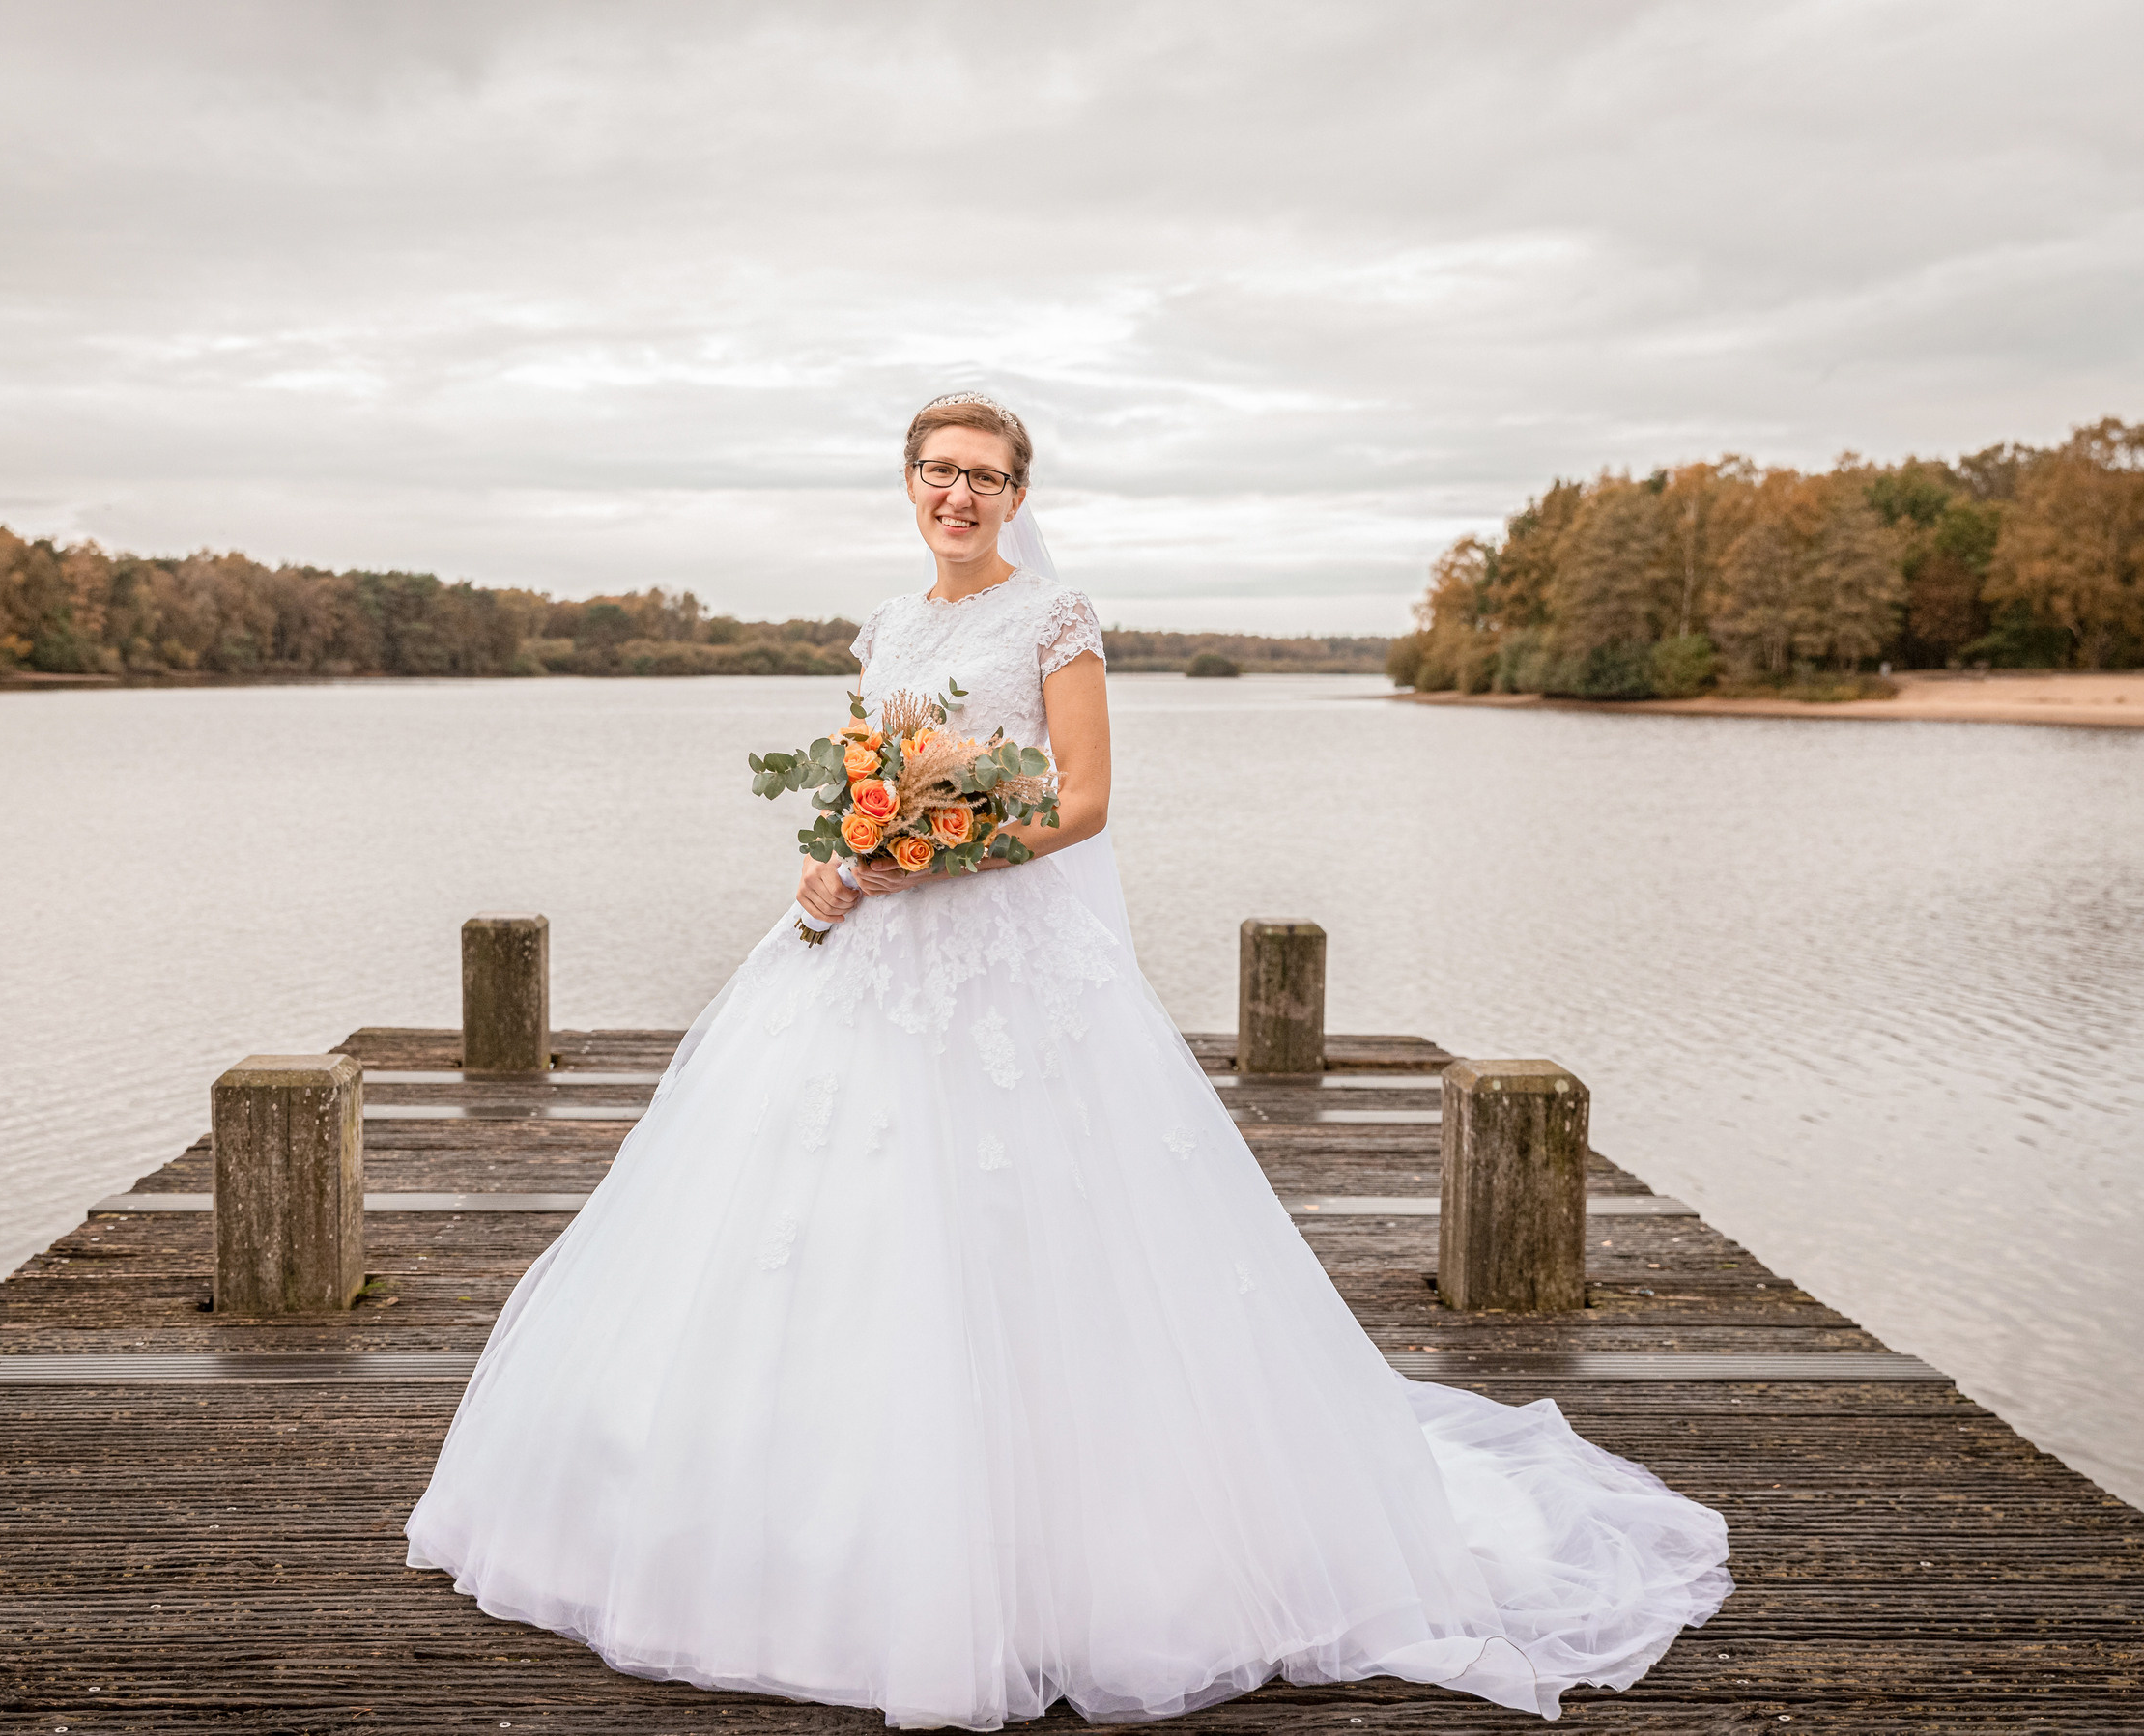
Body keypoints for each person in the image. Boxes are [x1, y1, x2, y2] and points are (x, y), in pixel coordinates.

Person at [404, 392, 1731, 1728]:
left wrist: (934, 847)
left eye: (984, 476)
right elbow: (860, 783)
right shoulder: (885, 626)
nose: (959, 496)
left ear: (1018, 495)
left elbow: (1084, 799)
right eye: (938, 473)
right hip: (876, 963)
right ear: (909, 484)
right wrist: (838, 859)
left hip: (1011, 962)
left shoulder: (1056, 619)